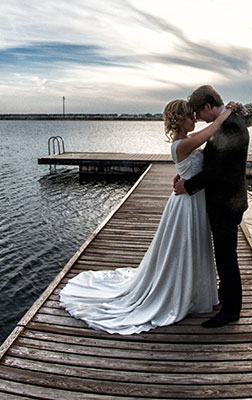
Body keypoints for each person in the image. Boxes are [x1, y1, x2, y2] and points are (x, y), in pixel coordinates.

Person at [59, 99, 233, 335]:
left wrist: (182, 175)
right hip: (186, 204)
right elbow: (210, 131)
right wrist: (228, 112)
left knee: (194, 248)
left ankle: (193, 291)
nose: (195, 119)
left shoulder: (183, 142)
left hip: (192, 198)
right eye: (191, 116)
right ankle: (180, 292)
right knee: (184, 248)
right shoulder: (184, 143)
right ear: (181, 120)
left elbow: (195, 153)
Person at [174, 85, 249, 328]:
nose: (197, 118)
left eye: (198, 113)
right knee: (224, 255)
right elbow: (211, 161)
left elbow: (218, 170)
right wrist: (186, 176)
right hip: (226, 199)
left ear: (208, 106)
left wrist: (189, 186)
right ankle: (226, 294)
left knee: (227, 257)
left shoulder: (230, 126)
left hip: (227, 202)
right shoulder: (229, 122)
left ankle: (231, 311)